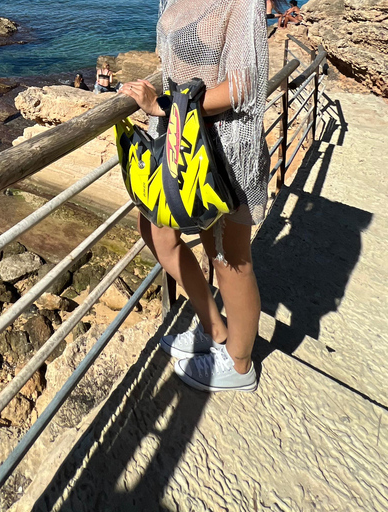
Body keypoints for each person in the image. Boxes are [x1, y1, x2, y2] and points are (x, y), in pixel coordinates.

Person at [117, 0, 270, 392]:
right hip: (178, 144)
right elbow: (172, 65)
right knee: (157, 233)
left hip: (222, 152)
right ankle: (214, 328)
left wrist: (166, 105)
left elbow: (243, 84)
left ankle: (239, 366)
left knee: (227, 259)